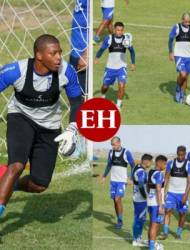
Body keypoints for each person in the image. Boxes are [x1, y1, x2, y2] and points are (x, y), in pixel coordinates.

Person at [0, 34, 83, 217]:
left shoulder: (66, 72)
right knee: (17, 165)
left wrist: (72, 129)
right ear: (39, 55)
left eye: (60, 52)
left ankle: (8, 184)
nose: (59, 57)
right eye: (53, 53)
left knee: (39, 184)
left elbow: (77, 102)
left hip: (50, 126)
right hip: (21, 117)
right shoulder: (16, 70)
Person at [95, 22, 136, 109]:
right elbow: (102, 49)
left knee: (121, 85)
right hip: (110, 67)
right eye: (118, 30)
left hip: (122, 67)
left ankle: (118, 105)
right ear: (114, 30)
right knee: (105, 87)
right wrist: (97, 58)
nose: (119, 32)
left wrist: (133, 63)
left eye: (121, 30)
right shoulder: (109, 38)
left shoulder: (126, 40)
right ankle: (103, 96)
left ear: (123, 30)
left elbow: (132, 51)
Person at [100, 136, 135, 229]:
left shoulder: (126, 152)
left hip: (122, 181)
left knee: (117, 199)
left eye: (114, 145)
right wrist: (104, 176)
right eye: (112, 145)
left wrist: (131, 178)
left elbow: (133, 165)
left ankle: (120, 221)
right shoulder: (111, 152)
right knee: (115, 201)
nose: (113, 147)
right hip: (113, 181)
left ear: (119, 143)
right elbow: (109, 165)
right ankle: (119, 219)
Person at [168, 12, 190, 103]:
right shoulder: (176, 27)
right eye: (186, 21)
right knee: (182, 74)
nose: (187, 23)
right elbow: (170, 39)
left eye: (189, 22)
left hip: (188, 56)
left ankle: (182, 95)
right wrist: (171, 52)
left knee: (186, 77)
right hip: (179, 55)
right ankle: (178, 89)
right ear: (182, 20)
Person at [160, 146, 190, 240]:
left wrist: (185, 195)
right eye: (178, 154)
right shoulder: (171, 163)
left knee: (182, 214)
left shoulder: (188, 164)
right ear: (177, 153)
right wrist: (163, 191)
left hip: (182, 194)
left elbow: (189, 182)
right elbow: (166, 178)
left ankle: (178, 233)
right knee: (167, 211)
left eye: (182, 155)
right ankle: (165, 233)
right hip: (171, 192)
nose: (180, 156)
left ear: (185, 154)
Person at [131, 154, 153, 247]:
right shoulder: (141, 171)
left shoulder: (137, 167)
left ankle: (138, 238)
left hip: (137, 198)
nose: (151, 164)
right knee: (139, 219)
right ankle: (136, 240)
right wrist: (145, 196)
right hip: (140, 199)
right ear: (146, 161)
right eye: (150, 162)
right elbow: (140, 184)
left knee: (141, 219)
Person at [147, 155, 168, 250]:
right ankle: (152, 247)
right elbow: (159, 189)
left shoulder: (150, 172)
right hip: (157, 203)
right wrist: (160, 206)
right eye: (164, 163)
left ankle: (151, 244)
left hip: (150, 202)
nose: (165, 166)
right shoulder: (159, 174)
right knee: (155, 225)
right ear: (159, 163)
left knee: (152, 224)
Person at [70, 0, 88, 92]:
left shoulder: (90, 4)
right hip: (74, 50)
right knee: (73, 89)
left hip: (82, 54)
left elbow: (92, 28)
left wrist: (86, 54)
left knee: (82, 92)